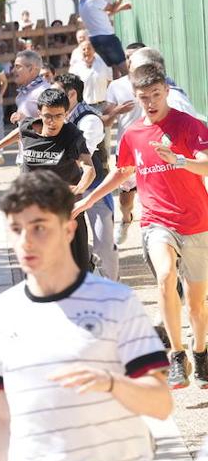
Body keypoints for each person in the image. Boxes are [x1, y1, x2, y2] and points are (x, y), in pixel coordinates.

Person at [0, 171, 170, 461]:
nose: (25, 241)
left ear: (69, 228)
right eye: (16, 230)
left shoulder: (117, 302)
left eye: (39, 228)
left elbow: (161, 403)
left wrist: (113, 384)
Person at [74, 63, 208, 390]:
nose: (150, 102)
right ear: (136, 96)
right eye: (143, 97)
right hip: (156, 222)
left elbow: (206, 164)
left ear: (166, 92)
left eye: (156, 95)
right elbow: (122, 173)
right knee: (164, 276)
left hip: (196, 222)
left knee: (196, 303)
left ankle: (200, 352)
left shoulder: (189, 126)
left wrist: (179, 160)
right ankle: (176, 355)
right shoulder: (133, 133)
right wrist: (89, 200)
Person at [0, 88, 96, 271]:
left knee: (77, 271)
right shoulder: (28, 127)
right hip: (33, 212)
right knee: (40, 268)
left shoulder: (72, 135)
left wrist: (78, 189)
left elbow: (89, 168)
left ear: (66, 114)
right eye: (47, 116)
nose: (52, 122)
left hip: (66, 213)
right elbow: (19, 133)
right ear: (39, 113)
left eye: (58, 116)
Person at [102, 45, 202, 245]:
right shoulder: (118, 86)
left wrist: (180, 159)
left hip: (172, 172)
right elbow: (106, 120)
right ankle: (127, 218)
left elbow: (194, 140)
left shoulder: (175, 97)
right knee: (126, 198)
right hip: (133, 151)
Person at [54, 74, 118, 281]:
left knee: (104, 242)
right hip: (71, 188)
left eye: (58, 92)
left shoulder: (89, 119)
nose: (54, 96)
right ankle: (87, 262)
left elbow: (81, 156)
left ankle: (113, 289)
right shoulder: (61, 117)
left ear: (72, 94)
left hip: (96, 187)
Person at [77, 0, 132, 75]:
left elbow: (100, 16)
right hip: (107, 37)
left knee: (114, 70)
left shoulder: (82, 1)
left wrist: (121, 8)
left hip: (94, 40)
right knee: (124, 70)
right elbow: (112, 8)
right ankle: (130, 90)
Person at [8, 49, 48, 127]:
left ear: (31, 69)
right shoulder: (25, 90)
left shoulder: (44, 91)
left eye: (18, 66)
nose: (13, 71)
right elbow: (22, 130)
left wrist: (26, 119)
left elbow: (53, 124)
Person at [68, 39, 111, 107]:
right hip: (84, 106)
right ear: (80, 52)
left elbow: (110, 81)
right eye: (84, 49)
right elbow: (72, 88)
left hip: (103, 105)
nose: (86, 51)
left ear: (94, 50)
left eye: (89, 48)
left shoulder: (103, 63)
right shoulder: (75, 68)